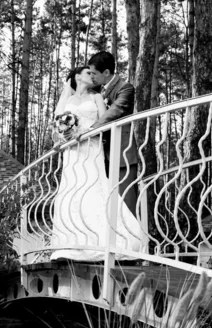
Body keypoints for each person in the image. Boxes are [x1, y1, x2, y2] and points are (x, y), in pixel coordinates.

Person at [50, 66, 144, 262]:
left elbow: (105, 123)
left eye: (94, 73)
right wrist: (61, 138)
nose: (92, 76)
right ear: (77, 77)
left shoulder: (97, 97)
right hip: (72, 153)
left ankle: (104, 242)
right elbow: (56, 129)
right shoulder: (66, 101)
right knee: (72, 191)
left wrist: (83, 134)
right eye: (88, 74)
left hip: (91, 148)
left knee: (94, 187)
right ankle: (71, 245)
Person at [89, 51, 138, 216]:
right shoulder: (99, 91)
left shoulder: (125, 87)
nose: (92, 77)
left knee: (126, 203)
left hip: (122, 154)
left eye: (94, 73)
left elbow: (115, 111)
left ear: (106, 72)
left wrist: (90, 131)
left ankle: (133, 241)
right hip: (103, 154)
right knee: (108, 205)